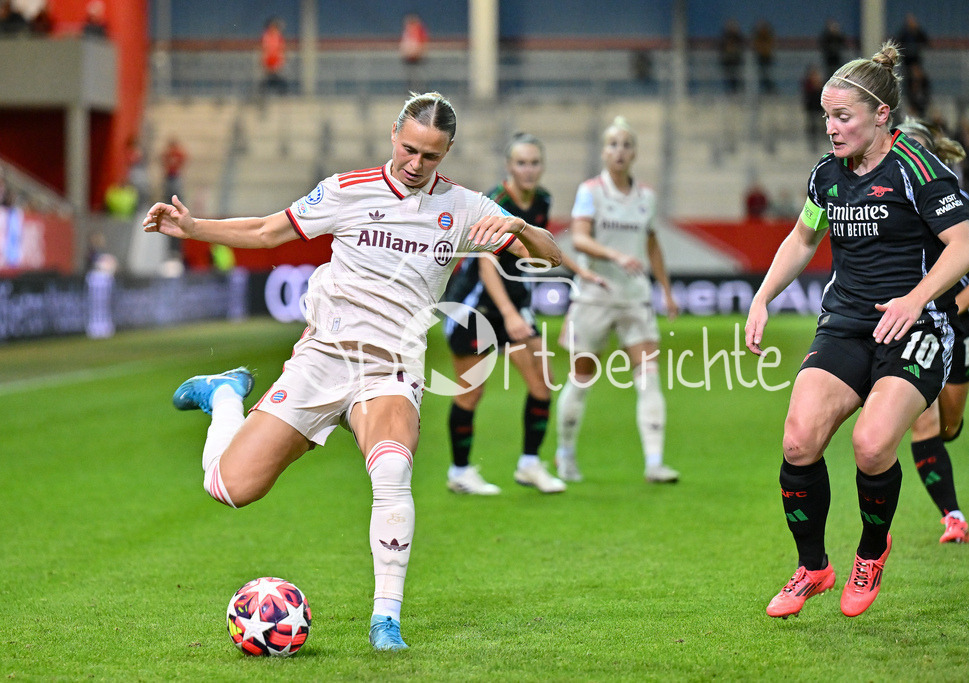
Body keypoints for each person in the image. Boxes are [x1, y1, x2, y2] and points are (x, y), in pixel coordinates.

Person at [141, 92, 562, 651]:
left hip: (389, 369)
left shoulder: (464, 208)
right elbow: (268, 231)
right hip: (323, 359)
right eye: (409, 149)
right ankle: (223, 395)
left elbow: (551, 255)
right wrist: (193, 227)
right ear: (394, 136)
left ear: (447, 153)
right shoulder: (347, 190)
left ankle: (386, 620)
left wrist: (518, 230)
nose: (415, 164)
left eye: (431, 156)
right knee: (229, 488)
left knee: (392, 470)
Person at [745, 42, 969, 620]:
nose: (830, 127)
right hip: (846, 324)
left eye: (842, 116)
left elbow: (965, 247)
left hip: (917, 326)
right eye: (826, 116)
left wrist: (916, 299)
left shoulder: (919, 170)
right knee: (798, 440)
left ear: (881, 115)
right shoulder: (827, 175)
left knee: (872, 446)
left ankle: (871, 553)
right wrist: (762, 296)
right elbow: (803, 238)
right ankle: (813, 567)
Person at [443, 132, 604, 496]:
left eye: (534, 163)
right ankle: (459, 472)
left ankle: (529, 464)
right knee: (471, 392)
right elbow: (486, 262)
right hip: (474, 306)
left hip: (514, 303)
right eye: (521, 163)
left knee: (542, 383)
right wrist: (510, 315)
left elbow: (540, 247)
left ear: (542, 166)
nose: (528, 170)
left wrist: (580, 271)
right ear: (509, 167)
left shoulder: (542, 200)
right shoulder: (495, 202)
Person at [554, 116, 680, 485]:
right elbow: (579, 238)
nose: (619, 151)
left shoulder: (647, 197)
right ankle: (565, 454)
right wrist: (615, 256)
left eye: (626, 144)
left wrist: (666, 290)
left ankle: (655, 462)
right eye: (613, 144)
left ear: (635, 153)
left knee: (649, 379)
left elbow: (652, 244)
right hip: (594, 296)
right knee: (581, 378)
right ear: (604, 152)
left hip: (634, 298)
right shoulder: (590, 191)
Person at [898, 118, 969, 545]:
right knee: (922, 420)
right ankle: (953, 517)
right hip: (911, 324)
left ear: (931, 156)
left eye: (916, 150)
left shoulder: (955, 200)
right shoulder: (884, 200)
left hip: (959, 322)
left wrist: (950, 308)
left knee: (947, 427)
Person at [400, 14, 428, 91]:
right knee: (410, 77)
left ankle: (419, 91)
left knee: (417, 76)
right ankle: (410, 90)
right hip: (408, 58)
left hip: (417, 57)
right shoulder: (407, 31)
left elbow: (421, 44)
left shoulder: (418, 31)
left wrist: (417, 53)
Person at [261, 17, 287, 96]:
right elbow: (265, 49)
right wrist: (264, 61)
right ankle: (264, 91)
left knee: (275, 76)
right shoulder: (266, 36)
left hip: (276, 59)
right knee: (270, 77)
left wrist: (280, 61)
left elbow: (281, 49)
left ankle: (281, 91)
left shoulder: (278, 36)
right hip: (269, 59)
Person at [719, 19, 745, 94]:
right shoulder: (725, 37)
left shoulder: (738, 38)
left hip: (736, 61)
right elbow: (722, 48)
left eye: (733, 26)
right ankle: (731, 92)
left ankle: (738, 91)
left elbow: (741, 47)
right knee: (728, 78)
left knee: (737, 77)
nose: (731, 28)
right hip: (727, 61)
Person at [752, 20, 776, 94]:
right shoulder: (757, 37)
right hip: (760, 58)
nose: (762, 29)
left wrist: (764, 49)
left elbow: (770, 46)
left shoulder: (768, 36)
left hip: (767, 58)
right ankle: (766, 90)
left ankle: (770, 90)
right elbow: (756, 46)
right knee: (761, 75)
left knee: (767, 74)